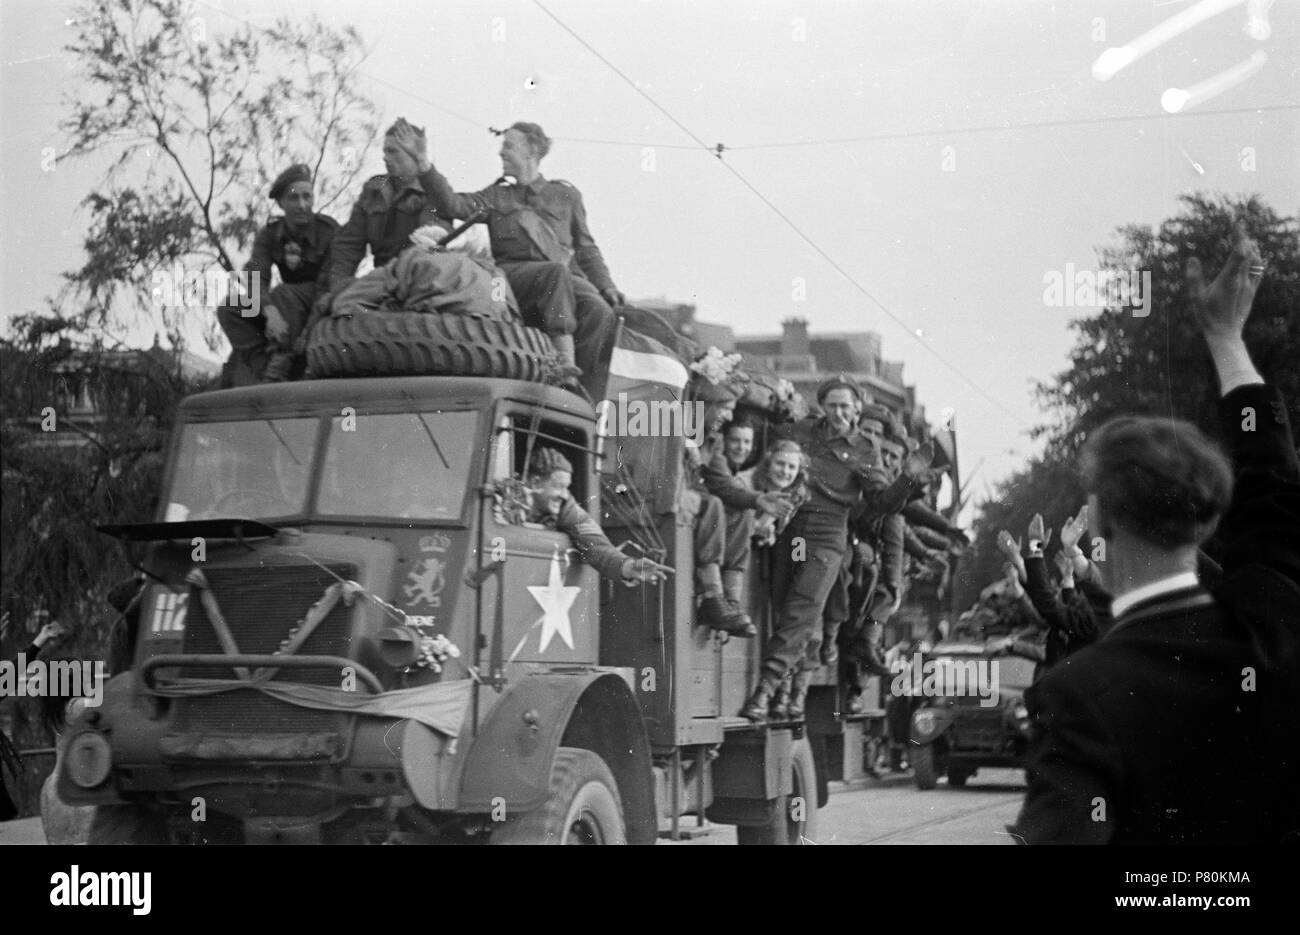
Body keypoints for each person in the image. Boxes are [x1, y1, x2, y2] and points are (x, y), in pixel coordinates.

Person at [1013, 228, 1300, 844]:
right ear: (1209, 518)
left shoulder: (1079, 694)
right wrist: (1227, 338)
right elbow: (1274, 488)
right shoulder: (1273, 625)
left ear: (1103, 522)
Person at [740, 374, 932, 722]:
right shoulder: (804, 431)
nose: (839, 413)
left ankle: (766, 689)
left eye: (845, 406)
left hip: (828, 539)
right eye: (832, 405)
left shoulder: (864, 448)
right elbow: (772, 442)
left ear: (856, 409)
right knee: (785, 604)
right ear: (823, 406)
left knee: (803, 608)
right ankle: (785, 692)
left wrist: (907, 477)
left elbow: (883, 501)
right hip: (793, 534)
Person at [388, 120, 624, 395]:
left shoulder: (565, 195)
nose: (501, 153)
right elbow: (453, 204)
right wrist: (424, 164)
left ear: (531, 151)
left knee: (600, 310)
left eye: (509, 146)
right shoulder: (497, 194)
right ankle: (564, 370)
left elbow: (585, 248)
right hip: (511, 279)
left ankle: (586, 395)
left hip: (562, 279)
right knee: (554, 275)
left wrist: (607, 285)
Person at [217, 163, 338, 385]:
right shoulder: (270, 234)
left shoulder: (328, 231)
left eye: (307, 197)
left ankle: (281, 358)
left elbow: (326, 286)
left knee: (285, 293)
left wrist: (305, 332)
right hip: (284, 311)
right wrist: (269, 311)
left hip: (321, 304)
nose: (302, 205)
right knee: (230, 307)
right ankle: (265, 362)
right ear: (281, 202)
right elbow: (255, 275)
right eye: (294, 198)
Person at [322, 120, 458, 310]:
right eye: (385, 151)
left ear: (413, 154)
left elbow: (426, 247)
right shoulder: (374, 190)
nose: (385, 158)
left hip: (417, 280)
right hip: (379, 279)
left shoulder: (433, 192)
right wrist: (339, 286)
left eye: (393, 151)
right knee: (327, 306)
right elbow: (349, 245)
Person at [499, 448, 672, 586]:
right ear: (535, 483)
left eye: (567, 488)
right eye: (558, 486)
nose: (564, 495)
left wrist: (627, 566)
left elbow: (595, 542)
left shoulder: (565, 506)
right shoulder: (499, 501)